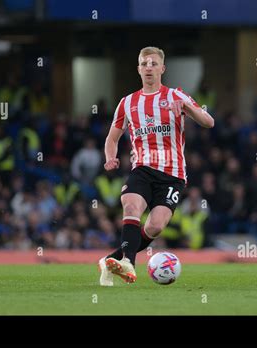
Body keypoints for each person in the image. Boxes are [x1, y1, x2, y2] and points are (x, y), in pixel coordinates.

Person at [98, 46, 215, 286]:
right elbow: (112, 138)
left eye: (153, 64)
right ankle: (128, 264)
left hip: (173, 175)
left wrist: (188, 108)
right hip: (142, 168)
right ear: (138, 69)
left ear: (162, 68)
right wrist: (110, 156)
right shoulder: (127, 102)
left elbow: (209, 122)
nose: (148, 68)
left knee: (155, 226)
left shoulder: (176, 96)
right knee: (130, 206)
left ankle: (112, 260)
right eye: (144, 64)